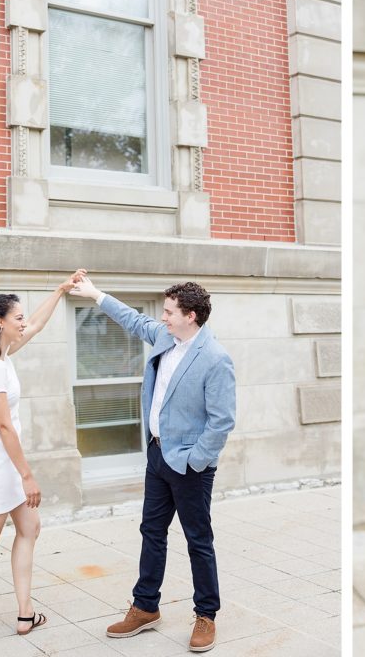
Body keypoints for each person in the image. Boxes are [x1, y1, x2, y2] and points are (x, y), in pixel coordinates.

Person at [69, 275, 235, 654]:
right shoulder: (166, 337)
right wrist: (96, 294)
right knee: (151, 532)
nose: (162, 318)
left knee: (198, 540)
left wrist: (195, 462)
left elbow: (222, 420)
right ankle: (145, 607)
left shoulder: (215, 358)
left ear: (190, 316)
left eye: (169, 312)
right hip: (157, 456)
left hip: (189, 466)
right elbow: (134, 321)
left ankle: (206, 614)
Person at [0, 271, 84, 644]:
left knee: (30, 528)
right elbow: (4, 427)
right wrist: (27, 475)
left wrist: (60, 290)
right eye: (18, 318)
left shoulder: (2, 353)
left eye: (23, 317)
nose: (24, 322)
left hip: (9, 461)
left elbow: (39, 324)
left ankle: (25, 612)